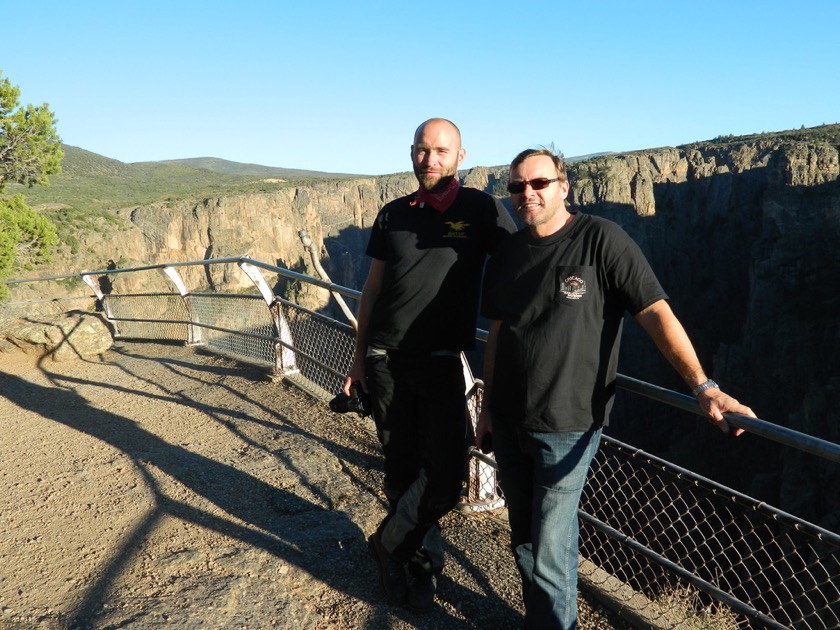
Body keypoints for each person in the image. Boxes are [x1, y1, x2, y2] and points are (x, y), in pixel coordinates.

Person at [475, 148, 756, 629]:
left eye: (539, 183)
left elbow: (655, 312)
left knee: (550, 545)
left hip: (567, 425)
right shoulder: (507, 253)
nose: (528, 194)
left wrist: (703, 385)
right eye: (518, 187)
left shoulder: (602, 239)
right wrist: (486, 409)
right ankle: (540, 619)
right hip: (507, 419)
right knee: (523, 536)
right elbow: (500, 332)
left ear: (563, 186)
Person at [344, 118, 516, 611]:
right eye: (422, 150)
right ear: (412, 153)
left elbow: (524, 260)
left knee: (444, 475)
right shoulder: (393, 213)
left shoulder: (481, 209)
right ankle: (418, 563)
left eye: (441, 150)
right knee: (400, 467)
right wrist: (359, 358)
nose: (430, 159)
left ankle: (389, 543)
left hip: (443, 361)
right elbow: (373, 289)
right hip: (385, 358)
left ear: (461, 156)